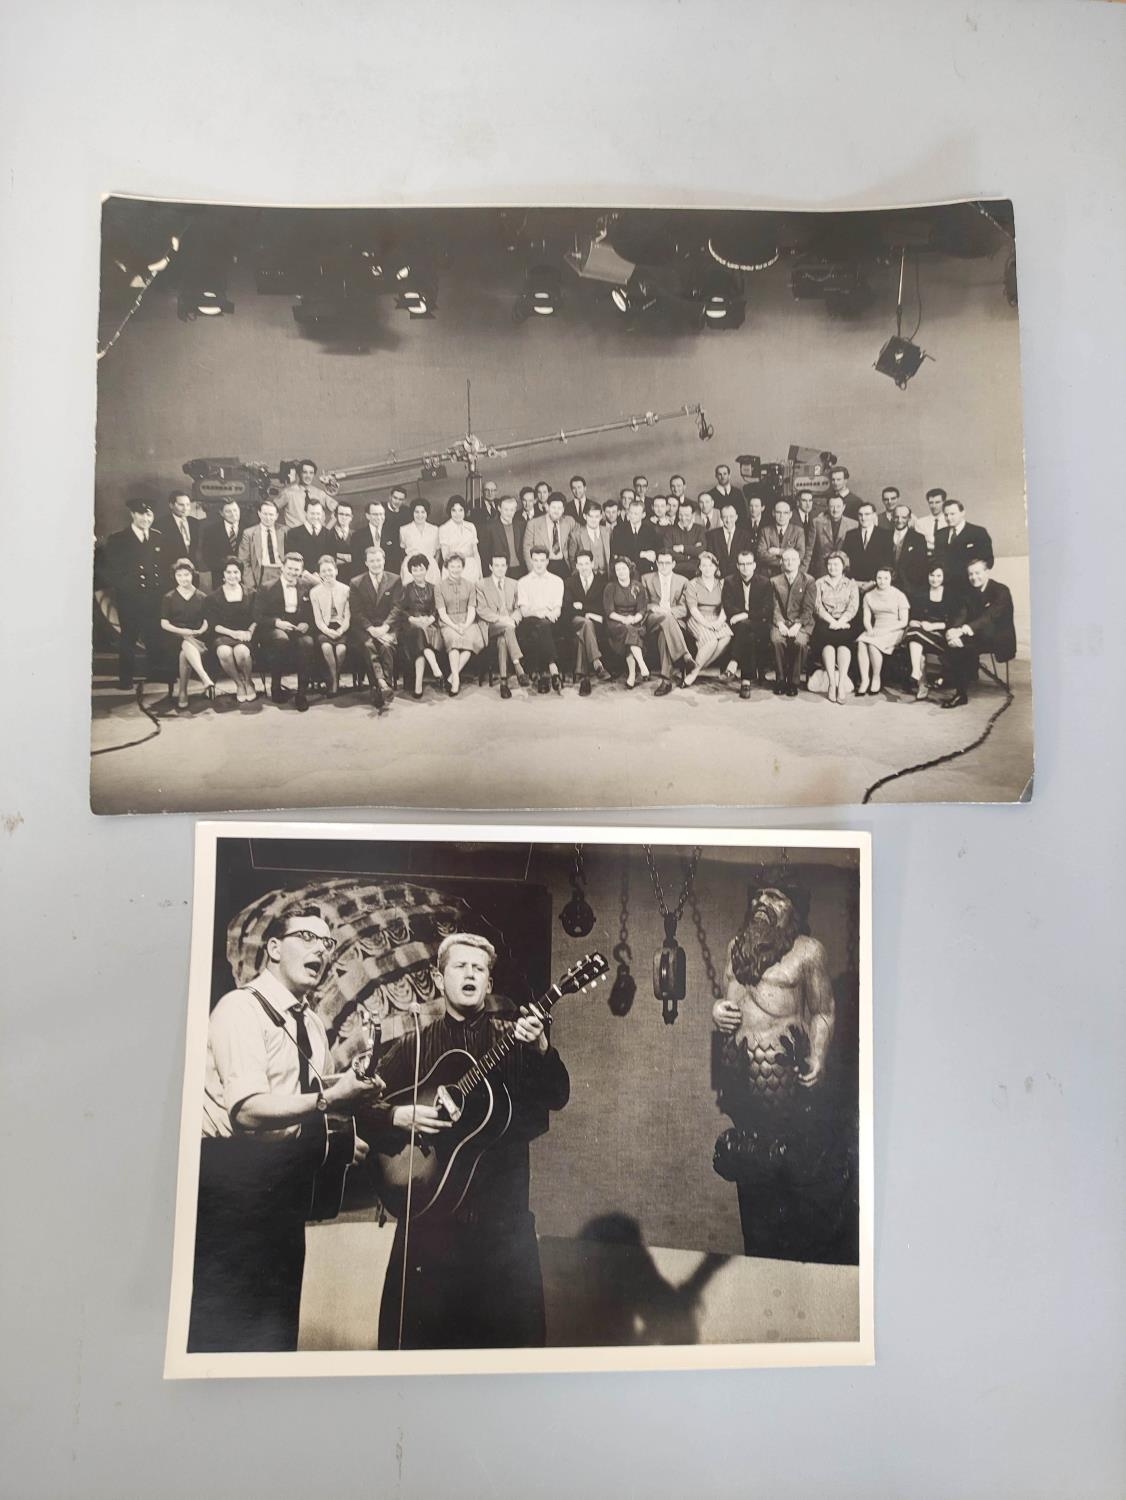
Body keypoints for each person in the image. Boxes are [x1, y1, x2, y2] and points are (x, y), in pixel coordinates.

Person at [190, 907, 382, 1353]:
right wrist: (331, 1098)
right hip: (231, 1194)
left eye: (327, 943)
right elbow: (248, 1111)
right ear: (274, 949)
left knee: (275, 1332)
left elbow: (308, 1101)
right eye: (308, 937)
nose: (321, 949)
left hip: (283, 1197)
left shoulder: (311, 1023)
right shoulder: (240, 1008)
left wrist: (353, 1090)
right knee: (227, 1334)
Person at [371, 932, 569, 1350]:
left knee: (508, 1355)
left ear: (489, 985)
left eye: (479, 969)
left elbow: (558, 1096)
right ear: (440, 979)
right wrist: (397, 1115)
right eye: (460, 966)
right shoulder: (415, 1045)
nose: (470, 974)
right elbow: (365, 1107)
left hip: (502, 1228)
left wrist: (540, 1046)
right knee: (421, 1354)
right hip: (428, 1225)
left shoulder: (515, 1039)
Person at [710, 883, 840, 1263]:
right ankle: (760, 1269)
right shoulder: (736, 948)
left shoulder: (808, 952)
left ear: (794, 908)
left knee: (792, 1193)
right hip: (743, 1094)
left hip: (788, 1091)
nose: (762, 903)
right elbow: (728, 1000)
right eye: (759, 896)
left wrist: (819, 1054)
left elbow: (823, 1010)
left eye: (775, 897)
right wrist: (719, 1010)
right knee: (753, 1192)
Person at [102, 498, 167, 688]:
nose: (146, 518)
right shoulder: (118, 539)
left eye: (149, 514)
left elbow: (162, 568)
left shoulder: (157, 536)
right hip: (130, 598)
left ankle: (155, 674)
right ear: (132, 514)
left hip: (154, 596)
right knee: (128, 637)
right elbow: (111, 570)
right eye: (141, 514)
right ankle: (126, 679)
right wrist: (126, 588)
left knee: (154, 634)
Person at [942, 558, 1016, 708]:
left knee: (962, 646)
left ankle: (957, 681)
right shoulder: (969, 592)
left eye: (977, 573)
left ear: (987, 572)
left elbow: (989, 617)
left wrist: (962, 630)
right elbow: (961, 614)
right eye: (970, 574)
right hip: (978, 634)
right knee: (954, 643)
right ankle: (960, 691)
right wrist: (953, 630)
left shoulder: (1001, 591)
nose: (974, 577)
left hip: (998, 637)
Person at [255, 552, 315, 711]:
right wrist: (277, 623)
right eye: (289, 568)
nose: (292, 573)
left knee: (307, 643)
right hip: (275, 628)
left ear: (301, 570)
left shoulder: (307, 586)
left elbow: (312, 612)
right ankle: (276, 688)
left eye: (296, 570)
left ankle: (301, 694)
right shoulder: (267, 587)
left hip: (298, 628)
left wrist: (307, 624)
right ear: (282, 567)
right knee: (281, 639)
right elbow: (258, 616)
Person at [348, 545, 401, 709]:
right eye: (372, 561)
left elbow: (397, 608)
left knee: (386, 646)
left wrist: (385, 628)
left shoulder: (395, 579)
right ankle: (382, 684)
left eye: (378, 560)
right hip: (366, 628)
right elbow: (356, 612)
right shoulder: (356, 583)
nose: (376, 564)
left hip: (387, 626)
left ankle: (378, 686)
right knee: (369, 645)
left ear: (384, 561)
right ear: (366, 563)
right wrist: (371, 629)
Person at [161, 558, 216, 709]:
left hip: (198, 637)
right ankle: (204, 678)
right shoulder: (169, 597)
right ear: (175, 577)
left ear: (192, 575)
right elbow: (164, 623)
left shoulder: (202, 597)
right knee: (185, 643)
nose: (183, 579)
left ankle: (183, 692)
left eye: (186, 574)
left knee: (185, 651)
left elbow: (207, 621)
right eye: (179, 575)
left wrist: (200, 631)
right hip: (175, 637)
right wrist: (182, 631)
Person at [474, 553, 529, 698]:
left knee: (503, 640)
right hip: (491, 625)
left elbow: (519, 608)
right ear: (491, 567)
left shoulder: (514, 583)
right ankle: (518, 667)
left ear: (507, 567)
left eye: (503, 565)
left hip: (509, 626)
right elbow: (482, 610)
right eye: (496, 565)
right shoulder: (481, 584)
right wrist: (503, 620)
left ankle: (503, 683)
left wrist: (514, 619)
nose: (500, 569)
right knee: (507, 628)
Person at [721, 550, 773, 697]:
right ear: (737, 566)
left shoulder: (765, 582)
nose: (745, 567)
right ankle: (745, 681)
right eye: (742, 564)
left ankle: (734, 661)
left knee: (746, 627)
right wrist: (742, 616)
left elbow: (767, 610)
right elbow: (728, 605)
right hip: (737, 624)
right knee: (746, 632)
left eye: (749, 564)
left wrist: (746, 614)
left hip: (759, 624)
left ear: (754, 565)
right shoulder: (729, 581)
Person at [811, 551, 861, 705]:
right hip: (825, 621)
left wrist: (841, 621)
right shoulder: (819, 583)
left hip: (845, 621)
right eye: (830, 564)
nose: (832, 567)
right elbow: (817, 606)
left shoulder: (851, 584)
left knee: (844, 644)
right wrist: (832, 621)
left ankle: (841, 685)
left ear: (843, 566)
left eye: (836, 564)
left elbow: (853, 606)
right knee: (828, 644)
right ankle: (832, 684)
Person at [208, 556, 257, 704]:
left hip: (245, 635)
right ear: (223, 574)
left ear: (240, 574)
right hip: (223, 635)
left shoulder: (251, 593)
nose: (232, 576)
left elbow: (257, 618)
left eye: (235, 572)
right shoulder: (214, 597)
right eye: (228, 572)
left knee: (241, 652)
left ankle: (249, 682)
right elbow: (214, 625)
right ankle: (239, 684)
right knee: (224, 652)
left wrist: (249, 632)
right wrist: (233, 633)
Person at [515, 545, 564, 693]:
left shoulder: (557, 581)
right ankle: (552, 668)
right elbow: (524, 611)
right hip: (530, 622)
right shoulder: (523, 582)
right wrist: (543, 612)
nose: (539, 564)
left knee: (542, 628)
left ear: (548, 561)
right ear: (531, 560)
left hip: (551, 623)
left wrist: (541, 612)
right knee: (539, 627)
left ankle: (540, 676)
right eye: (535, 560)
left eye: (542, 560)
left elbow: (557, 610)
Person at [904, 562, 956, 700]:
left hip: (942, 636)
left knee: (914, 634)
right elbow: (913, 617)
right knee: (915, 637)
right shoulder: (921, 592)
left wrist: (933, 626)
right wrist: (916, 622)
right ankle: (921, 681)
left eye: (939, 576)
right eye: (932, 575)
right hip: (923, 633)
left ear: (944, 576)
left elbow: (954, 621)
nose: (935, 579)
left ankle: (918, 675)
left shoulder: (950, 594)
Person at [435, 552, 485, 695]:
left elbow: (471, 609)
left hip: (467, 621)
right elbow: (442, 612)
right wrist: (455, 626)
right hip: (448, 621)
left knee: (469, 642)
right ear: (447, 567)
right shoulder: (439, 587)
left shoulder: (470, 585)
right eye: (452, 566)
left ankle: (451, 676)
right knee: (454, 641)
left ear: (463, 567)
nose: (455, 569)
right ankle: (456, 679)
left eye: (458, 566)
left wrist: (466, 624)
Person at [642, 550, 691, 695]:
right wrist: (656, 608)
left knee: (664, 634)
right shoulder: (646, 578)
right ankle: (685, 655)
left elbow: (684, 609)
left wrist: (669, 612)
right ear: (656, 563)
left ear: (673, 564)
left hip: (673, 622)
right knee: (665, 619)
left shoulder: (683, 581)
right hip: (653, 619)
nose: (664, 566)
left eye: (667, 563)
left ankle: (666, 680)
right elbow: (643, 604)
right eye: (660, 563)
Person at [770, 547, 817, 696]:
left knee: (800, 643)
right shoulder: (774, 581)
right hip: (781, 621)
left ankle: (793, 682)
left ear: (799, 562)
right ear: (782, 562)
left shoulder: (809, 580)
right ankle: (780, 679)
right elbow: (774, 606)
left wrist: (798, 625)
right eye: (786, 560)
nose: (789, 563)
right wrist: (780, 623)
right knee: (777, 640)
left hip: (802, 622)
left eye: (793, 559)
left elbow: (808, 608)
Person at [856, 565, 910, 695]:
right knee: (862, 642)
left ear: (891, 578)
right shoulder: (869, 596)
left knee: (873, 644)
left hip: (895, 629)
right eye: (879, 578)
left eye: (886, 578)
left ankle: (876, 677)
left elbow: (904, 621)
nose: (882, 581)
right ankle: (865, 680)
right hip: (877, 628)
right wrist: (869, 629)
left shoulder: (899, 595)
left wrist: (886, 631)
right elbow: (867, 619)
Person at [398, 553, 445, 699]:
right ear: (411, 572)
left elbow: (437, 608)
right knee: (417, 633)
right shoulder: (405, 588)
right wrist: (412, 619)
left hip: (430, 624)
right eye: (415, 570)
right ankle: (435, 667)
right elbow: (401, 609)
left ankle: (418, 686)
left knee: (420, 643)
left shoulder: (434, 587)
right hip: (411, 625)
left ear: (427, 569)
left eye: (421, 569)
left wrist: (430, 619)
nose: (418, 573)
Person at [683, 551, 732, 686]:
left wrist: (719, 622)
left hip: (716, 618)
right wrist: (707, 624)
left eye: (710, 566)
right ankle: (693, 674)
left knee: (726, 638)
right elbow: (693, 609)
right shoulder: (692, 584)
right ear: (699, 567)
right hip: (698, 619)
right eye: (704, 565)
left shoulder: (722, 584)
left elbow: (725, 607)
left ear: (716, 567)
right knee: (711, 642)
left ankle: (696, 669)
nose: (707, 569)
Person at [563, 551, 608, 695]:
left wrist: (583, 607)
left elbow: (602, 608)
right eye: (580, 564)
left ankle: (583, 678)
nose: (584, 567)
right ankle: (596, 661)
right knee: (586, 624)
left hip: (597, 625)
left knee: (582, 634)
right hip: (575, 622)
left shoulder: (602, 582)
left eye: (586, 563)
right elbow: (568, 608)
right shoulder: (570, 582)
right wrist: (589, 612)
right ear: (576, 565)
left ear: (592, 564)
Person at [603, 556, 650, 689]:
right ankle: (642, 665)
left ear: (629, 569)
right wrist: (624, 619)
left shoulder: (638, 586)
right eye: (618, 569)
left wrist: (634, 619)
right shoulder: (610, 587)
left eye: (624, 568)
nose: (621, 572)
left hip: (635, 621)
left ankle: (631, 675)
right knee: (629, 631)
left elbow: (642, 609)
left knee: (630, 635)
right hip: (616, 622)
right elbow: (609, 611)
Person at [935, 500, 994, 601]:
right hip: (947, 588)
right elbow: (937, 560)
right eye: (946, 515)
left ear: (962, 513)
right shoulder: (940, 534)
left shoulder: (978, 532)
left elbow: (988, 561)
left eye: (952, 514)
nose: (949, 518)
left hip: (970, 587)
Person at [309, 554, 351, 696]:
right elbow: (318, 619)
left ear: (336, 571)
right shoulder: (314, 592)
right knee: (326, 647)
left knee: (341, 650)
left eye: (330, 570)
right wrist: (327, 631)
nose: (327, 574)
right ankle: (335, 682)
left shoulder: (346, 589)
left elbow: (347, 616)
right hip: (324, 627)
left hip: (341, 627)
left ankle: (333, 678)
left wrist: (340, 630)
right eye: (324, 571)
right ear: (320, 574)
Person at [842, 501, 894, 591]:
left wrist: (874, 582)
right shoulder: (850, 535)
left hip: (877, 586)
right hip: (854, 585)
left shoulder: (886, 535)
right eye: (860, 515)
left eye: (867, 514)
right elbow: (845, 562)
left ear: (874, 515)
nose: (863, 518)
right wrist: (853, 582)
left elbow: (888, 563)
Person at [523, 493, 576, 579]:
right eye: (553, 507)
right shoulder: (533, 524)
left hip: (563, 564)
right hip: (543, 565)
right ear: (547, 507)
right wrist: (533, 572)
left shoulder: (569, 521)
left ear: (563, 509)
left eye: (559, 508)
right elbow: (527, 549)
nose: (556, 511)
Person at [238, 498, 285, 590]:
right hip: (261, 573)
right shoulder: (249, 533)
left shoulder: (285, 531)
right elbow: (244, 560)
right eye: (265, 514)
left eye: (271, 515)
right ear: (259, 514)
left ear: (276, 516)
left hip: (282, 572)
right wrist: (250, 584)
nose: (268, 518)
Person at [757, 498, 810, 578]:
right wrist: (782, 561)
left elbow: (800, 554)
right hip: (769, 575)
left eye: (785, 513)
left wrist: (778, 551)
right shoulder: (765, 531)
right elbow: (761, 554)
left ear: (790, 514)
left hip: (790, 574)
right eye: (778, 512)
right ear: (773, 513)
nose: (782, 516)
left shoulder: (798, 531)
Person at [480, 494, 527, 580]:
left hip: (520, 570)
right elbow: (484, 553)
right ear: (499, 508)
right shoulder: (490, 527)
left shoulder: (521, 525)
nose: (509, 513)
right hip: (500, 570)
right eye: (506, 510)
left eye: (512, 509)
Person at [201, 498, 246, 587]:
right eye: (228, 511)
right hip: (220, 579)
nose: (233, 514)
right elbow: (207, 557)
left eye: (235, 510)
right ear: (221, 513)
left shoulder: (248, 529)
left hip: (244, 580)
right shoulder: (211, 531)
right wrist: (227, 570)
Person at [809, 493, 857, 577]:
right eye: (832, 506)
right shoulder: (816, 523)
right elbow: (810, 549)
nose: (835, 510)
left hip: (845, 571)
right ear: (827, 507)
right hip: (822, 570)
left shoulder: (854, 524)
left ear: (844, 507)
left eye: (838, 506)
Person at [352, 499, 402, 578]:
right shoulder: (357, 536)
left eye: (381, 514)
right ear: (367, 516)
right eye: (375, 514)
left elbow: (396, 561)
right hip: (366, 581)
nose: (379, 517)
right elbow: (356, 564)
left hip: (388, 580)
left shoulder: (393, 534)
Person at [278, 459, 333, 531]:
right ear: (299, 474)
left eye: (311, 473)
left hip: (317, 537)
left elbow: (339, 509)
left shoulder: (320, 493)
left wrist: (327, 530)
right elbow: (270, 509)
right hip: (296, 537)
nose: (308, 476)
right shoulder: (288, 493)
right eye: (305, 472)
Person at [437, 497, 482, 583]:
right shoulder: (444, 528)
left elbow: (476, 552)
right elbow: (445, 555)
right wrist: (457, 565)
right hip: (452, 568)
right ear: (449, 512)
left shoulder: (471, 526)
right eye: (454, 510)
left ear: (465, 511)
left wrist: (480, 573)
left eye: (460, 510)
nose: (457, 514)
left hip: (471, 568)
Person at [611, 495, 659, 572]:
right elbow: (619, 551)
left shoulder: (650, 530)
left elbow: (654, 551)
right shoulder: (619, 529)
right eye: (631, 513)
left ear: (643, 515)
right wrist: (641, 554)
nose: (632, 516)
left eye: (636, 514)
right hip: (626, 570)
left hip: (645, 569)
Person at [888, 502, 928, 595]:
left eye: (904, 517)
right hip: (887, 586)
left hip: (909, 588)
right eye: (896, 517)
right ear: (892, 517)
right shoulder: (885, 536)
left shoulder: (918, 538)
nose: (899, 520)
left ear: (909, 518)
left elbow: (921, 566)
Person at [398, 501, 441, 586]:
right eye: (416, 512)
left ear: (427, 513)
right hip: (410, 566)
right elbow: (402, 549)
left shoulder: (435, 529)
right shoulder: (404, 529)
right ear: (412, 513)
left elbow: (437, 550)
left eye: (423, 512)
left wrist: (434, 563)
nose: (419, 515)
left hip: (430, 566)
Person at [286, 498, 329, 583]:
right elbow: (291, 558)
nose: (315, 517)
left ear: (322, 514)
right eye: (312, 513)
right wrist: (307, 575)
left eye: (318, 514)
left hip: (323, 579)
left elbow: (330, 558)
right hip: (299, 578)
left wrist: (320, 575)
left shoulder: (328, 534)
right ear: (305, 513)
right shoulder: (293, 533)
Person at [706, 502, 751, 578]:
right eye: (725, 517)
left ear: (736, 517)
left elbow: (747, 558)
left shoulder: (745, 535)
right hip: (718, 576)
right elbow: (710, 557)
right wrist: (715, 570)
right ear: (721, 518)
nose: (728, 520)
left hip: (739, 576)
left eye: (731, 516)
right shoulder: (712, 535)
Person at [567, 500, 611, 575]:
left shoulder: (608, 531)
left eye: (597, 516)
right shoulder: (575, 534)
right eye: (590, 516)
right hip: (586, 576)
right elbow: (572, 559)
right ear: (585, 516)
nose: (594, 520)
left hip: (606, 576)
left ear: (601, 517)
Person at [668, 498, 706, 578]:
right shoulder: (670, 530)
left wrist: (682, 548)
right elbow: (668, 551)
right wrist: (689, 556)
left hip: (696, 571)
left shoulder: (700, 529)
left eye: (687, 515)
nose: (683, 518)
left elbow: (701, 549)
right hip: (675, 571)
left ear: (693, 515)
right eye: (681, 515)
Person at [166, 491, 202, 567]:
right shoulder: (161, 524)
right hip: (171, 569)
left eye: (188, 505)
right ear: (171, 505)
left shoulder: (196, 523)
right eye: (181, 505)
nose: (185, 508)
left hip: (194, 569)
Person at [323, 499, 354, 578]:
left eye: (347, 515)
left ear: (351, 517)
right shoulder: (326, 535)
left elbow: (357, 559)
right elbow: (327, 558)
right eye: (341, 514)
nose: (344, 517)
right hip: (331, 576)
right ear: (335, 515)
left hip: (352, 576)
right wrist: (347, 558)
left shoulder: (356, 535)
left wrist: (337, 556)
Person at [915, 487, 949, 554]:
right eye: (931, 503)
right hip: (926, 557)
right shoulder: (920, 522)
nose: (934, 506)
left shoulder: (949, 522)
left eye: (937, 502)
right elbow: (920, 544)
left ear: (944, 502)